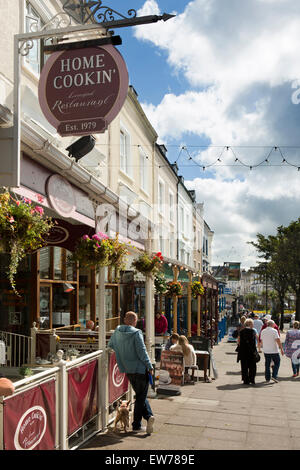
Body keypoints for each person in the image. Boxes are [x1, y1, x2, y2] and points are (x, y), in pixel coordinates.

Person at [108, 311, 155, 434]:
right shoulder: (136, 333)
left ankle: (148, 417)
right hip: (140, 369)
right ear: (134, 321)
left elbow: (111, 345)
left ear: (124, 320)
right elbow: (142, 351)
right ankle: (138, 424)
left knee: (140, 395)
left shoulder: (117, 332)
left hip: (127, 369)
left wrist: (122, 353)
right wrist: (150, 366)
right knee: (141, 397)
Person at [260, 319, 284, 384]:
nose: (274, 325)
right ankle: (274, 375)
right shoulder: (274, 331)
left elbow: (261, 341)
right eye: (274, 324)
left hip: (266, 350)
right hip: (274, 350)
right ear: (272, 324)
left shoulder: (263, 331)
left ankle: (267, 377)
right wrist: (281, 348)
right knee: (277, 362)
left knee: (267, 364)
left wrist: (261, 347)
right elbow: (278, 340)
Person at [237, 318, 258, 385]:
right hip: (252, 352)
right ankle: (252, 379)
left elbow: (239, 342)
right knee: (252, 366)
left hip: (243, 351)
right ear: (251, 324)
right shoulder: (253, 332)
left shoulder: (241, 332)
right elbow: (256, 341)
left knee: (244, 366)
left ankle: (245, 380)